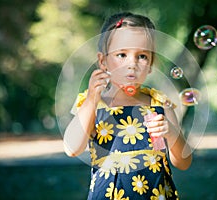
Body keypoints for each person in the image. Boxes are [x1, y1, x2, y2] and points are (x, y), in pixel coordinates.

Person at [63, 12, 192, 199]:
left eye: (142, 56)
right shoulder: (93, 104)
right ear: (103, 61)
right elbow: (71, 148)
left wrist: (171, 132)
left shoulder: (160, 104)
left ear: (151, 64)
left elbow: (184, 162)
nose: (132, 64)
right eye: (122, 54)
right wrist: (91, 99)